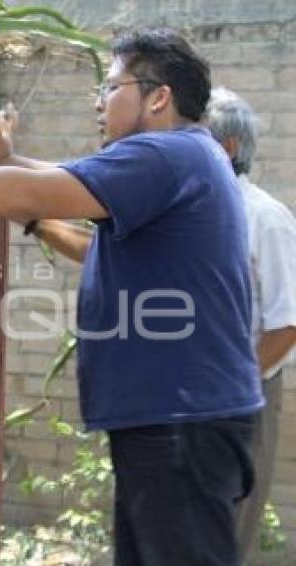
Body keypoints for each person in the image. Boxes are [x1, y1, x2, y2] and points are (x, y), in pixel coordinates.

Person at [0, 28, 263, 565]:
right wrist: (9, 157)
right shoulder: (184, 156)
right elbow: (59, 182)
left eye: (110, 87)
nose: (97, 102)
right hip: (178, 419)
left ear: (158, 96)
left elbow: (40, 192)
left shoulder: (163, 155)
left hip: (181, 423)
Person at [205, 87, 296, 563]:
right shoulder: (195, 214)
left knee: (229, 528)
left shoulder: (266, 217)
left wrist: (232, 386)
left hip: (246, 395)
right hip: (197, 397)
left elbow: (287, 325)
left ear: (227, 148)